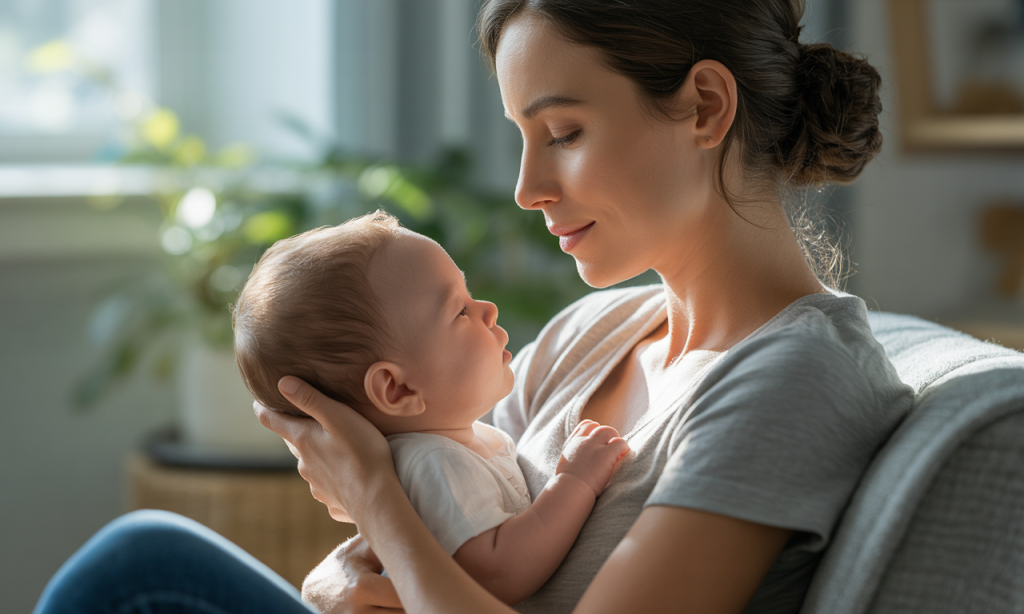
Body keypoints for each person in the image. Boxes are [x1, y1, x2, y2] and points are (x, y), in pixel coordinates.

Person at [33, 1, 915, 613]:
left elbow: (403, 516)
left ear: (706, 106)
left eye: (564, 133)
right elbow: (429, 527)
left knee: (139, 571)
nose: (529, 188)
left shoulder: (795, 376)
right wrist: (337, 581)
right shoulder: (590, 334)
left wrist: (373, 497)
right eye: (522, 139)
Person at [231, 211, 630, 605]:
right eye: (459, 309)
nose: (487, 309)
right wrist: (574, 481)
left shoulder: (450, 447)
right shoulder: (434, 461)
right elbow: (500, 572)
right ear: (397, 388)